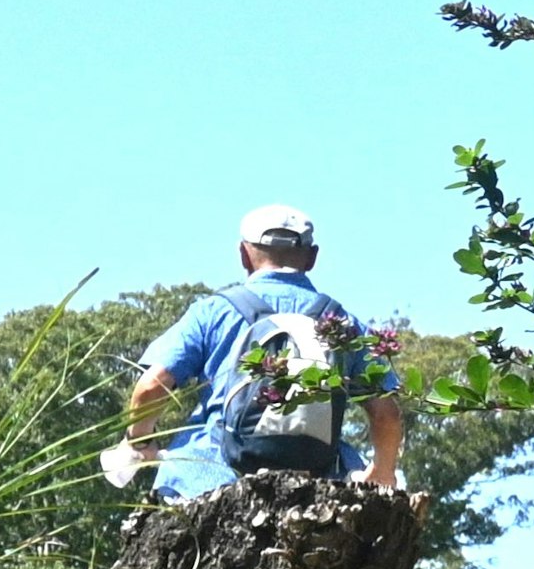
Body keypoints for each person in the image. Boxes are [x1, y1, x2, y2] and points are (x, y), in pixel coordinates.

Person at [122, 206, 409, 499]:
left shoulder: (213, 312)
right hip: (314, 492)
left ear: (244, 255)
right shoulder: (343, 323)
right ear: (312, 257)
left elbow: (151, 387)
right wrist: (383, 472)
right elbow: (386, 414)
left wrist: (140, 442)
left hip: (206, 482)